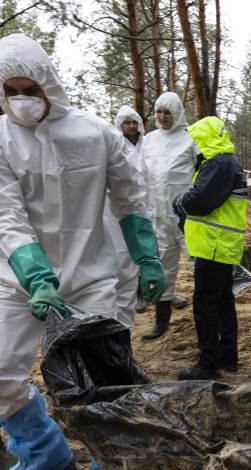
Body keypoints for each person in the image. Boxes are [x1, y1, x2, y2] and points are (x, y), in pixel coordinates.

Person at [0, 34, 166, 470]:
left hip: (91, 276)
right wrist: (35, 276)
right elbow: (4, 218)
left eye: (29, 86)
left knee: (104, 376)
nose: (21, 99)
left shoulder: (96, 134)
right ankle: (47, 461)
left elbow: (130, 196)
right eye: (10, 90)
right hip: (17, 278)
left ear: (49, 82)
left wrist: (148, 258)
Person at [171, 116, 248, 380]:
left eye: (198, 138)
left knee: (205, 304)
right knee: (223, 301)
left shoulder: (219, 163)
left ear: (207, 137)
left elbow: (202, 200)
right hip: (221, 244)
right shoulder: (225, 162)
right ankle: (228, 356)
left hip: (213, 244)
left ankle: (208, 364)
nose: (195, 144)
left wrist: (178, 202)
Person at [141, 91, 199, 339]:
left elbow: (202, 172)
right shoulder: (149, 140)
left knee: (200, 267)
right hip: (160, 217)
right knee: (163, 269)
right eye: (159, 112)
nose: (163, 117)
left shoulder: (191, 138)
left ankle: (208, 319)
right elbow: (142, 176)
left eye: (168, 112)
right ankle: (161, 321)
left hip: (189, 217)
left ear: (177, 113)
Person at [102, 105, 149, 326]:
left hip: (149, 203)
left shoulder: (147, 144)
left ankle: (160, 290)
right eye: (126, 122)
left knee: (155, 249)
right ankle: (138, 293)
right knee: (129, 252)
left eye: (133, 122)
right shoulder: (115, 145)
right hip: (122, 207)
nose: (130, 126)